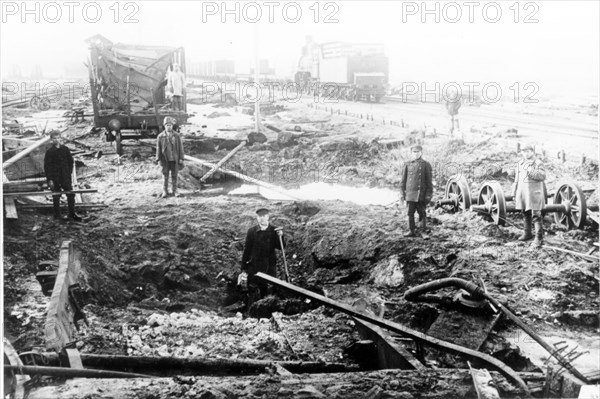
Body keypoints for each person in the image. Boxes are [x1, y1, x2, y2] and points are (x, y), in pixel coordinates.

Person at [240, 208, 285, 307]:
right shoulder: (251, 231)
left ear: (268, 217)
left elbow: (281, 246)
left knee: (270, 288)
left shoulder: (274, 230)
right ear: (257, 218)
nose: (262, 218)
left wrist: (280, 236)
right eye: (260, 216)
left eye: (264, 216)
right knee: (253, 289)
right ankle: (252, 310)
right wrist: (243, 267)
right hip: (255, 265)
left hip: (270, 265)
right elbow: (247, 250)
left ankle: (270, 309)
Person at [512, 143, 546, 248]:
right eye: (523, 151)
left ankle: (538, 238)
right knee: (525, 213)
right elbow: (516, 180)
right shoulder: (520, 163)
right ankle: (527, 233)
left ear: (532, 151)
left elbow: (542, 176)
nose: (525, 154)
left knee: (536, 215)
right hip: (523, 193)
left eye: (527, 151)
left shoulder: (538, 163)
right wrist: (514, 192)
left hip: (534, 193)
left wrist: (530, 170)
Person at [44, 130, 82, 221]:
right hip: (55, 177)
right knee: (56, 195)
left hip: (65, 176)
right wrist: (50, 180)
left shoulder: (65, 149)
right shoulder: (49, 152)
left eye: (58, 138)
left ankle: (72, 214)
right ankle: (57, 215)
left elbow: (70, 161)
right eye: (54, 138)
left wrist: (69, 173)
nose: (56, 140)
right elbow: (47, 167)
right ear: (51, 140)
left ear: (60, 138)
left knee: (70, 194)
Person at [400, 145, 433, 237]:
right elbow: (403, 181)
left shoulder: (426, 165)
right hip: (410, 194)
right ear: (411, 153)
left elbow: (429, 182)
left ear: (421, 152)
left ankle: (423, 231)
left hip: (420, 194)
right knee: (410, 213)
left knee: (422, 212)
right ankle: (411, 230)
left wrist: (428, 195)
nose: (416, 154)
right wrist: (402, 193)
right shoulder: (407, 164)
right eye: (414, 152)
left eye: (418, 152)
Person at [155, 116, 184, 198]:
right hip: (165, 159)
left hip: (174, 159)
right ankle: (165, 191)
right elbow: (158, 148)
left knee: (175, 175)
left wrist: (181, 158)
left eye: (170, 125)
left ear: (172, 126)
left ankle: (175, 190)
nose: (169, 127)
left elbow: (181, 148)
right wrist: (158, 159)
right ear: (164, 126)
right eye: (167, 125)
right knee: (165, 175)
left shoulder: (177, 136)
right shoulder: (160, 136)